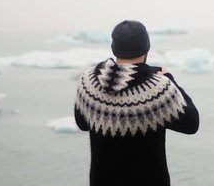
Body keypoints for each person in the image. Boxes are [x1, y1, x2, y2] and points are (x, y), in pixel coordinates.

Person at [74, 20, 199, 186]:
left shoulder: (88, 82)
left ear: (114, 47)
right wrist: (169, 79)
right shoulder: (158, 89)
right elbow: (192, 124)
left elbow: (82, 123)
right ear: (146, 47)